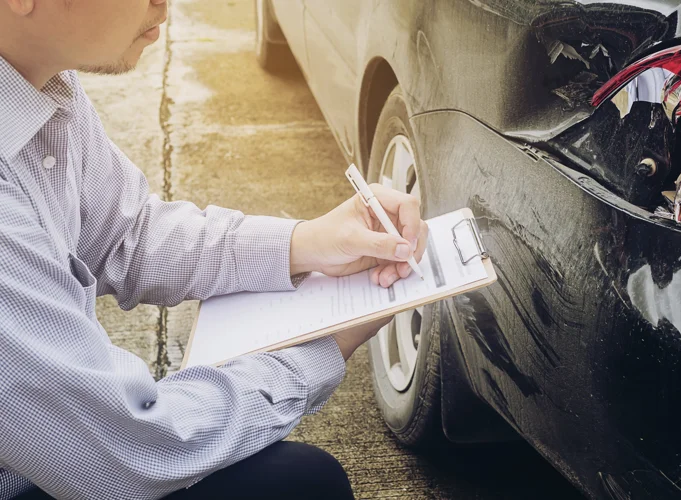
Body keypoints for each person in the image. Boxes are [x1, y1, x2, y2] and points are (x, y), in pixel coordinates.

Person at [0, 0, 428, 498]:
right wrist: (322, 346)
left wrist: (307, 242)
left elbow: (128, 235)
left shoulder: (42, 84)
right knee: (304, 486)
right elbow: (129, 450)